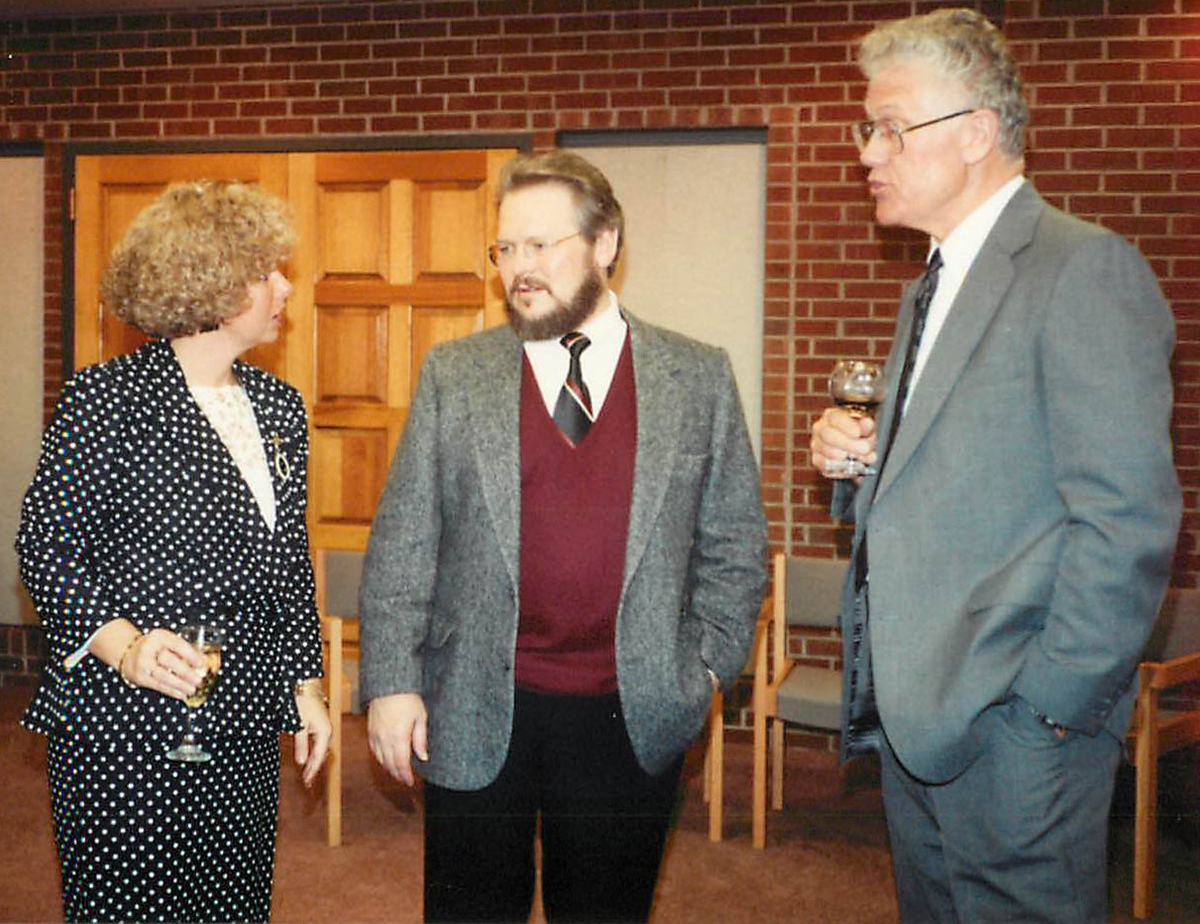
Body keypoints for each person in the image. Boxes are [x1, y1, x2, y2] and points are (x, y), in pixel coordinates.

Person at [809, 8, 1181, 922]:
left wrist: (1048, 716)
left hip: (1019, 738)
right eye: (870, 128)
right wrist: (849, 472)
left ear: (976, 132)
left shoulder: (1082, 269)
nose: (868, 152)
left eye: (889, 126)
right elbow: (932, 495)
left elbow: (1128, 521)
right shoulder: (927, 289)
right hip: (918, 728)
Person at [360, 149, 767, 922]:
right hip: (477, 699)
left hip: (631, 710)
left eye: (542, 244)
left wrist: (706, 672)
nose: (520, 268)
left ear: (606, 242)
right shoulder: (457, 372)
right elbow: (405, 538)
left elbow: (734, 545)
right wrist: (391, 682)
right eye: (507, 248)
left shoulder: (697, 377)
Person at [18, 180, 332, 924]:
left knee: (232, 906)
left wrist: (307, 684)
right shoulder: (107, 398)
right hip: (128, 725)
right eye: (265, 272)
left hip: (244, 717)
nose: (285, 286)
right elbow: (47, 543)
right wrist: (123, 645)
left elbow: (288, 559)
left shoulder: (279, 406)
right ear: (211, 282)